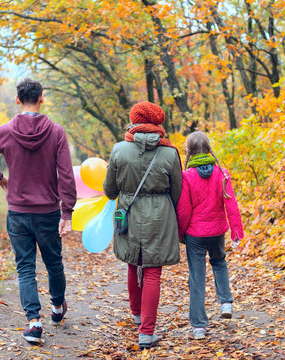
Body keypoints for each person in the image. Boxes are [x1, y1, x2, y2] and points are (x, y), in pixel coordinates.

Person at [0, 78, 76, 344]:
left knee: (25, 268)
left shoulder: (5, 130)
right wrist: (67, 212)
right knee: (54, 263)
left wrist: (0, 178)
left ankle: (33, 323)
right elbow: (66, 175)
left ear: (17, 100)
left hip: (18, 213)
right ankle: (56, 308)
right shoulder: (56, 132)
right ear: (41, 98)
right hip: (48, 212)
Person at [103, 101, 182, 349]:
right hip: (160, 215)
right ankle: (146, 332)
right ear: (157, 123)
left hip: (128, 212)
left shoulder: (118, 150)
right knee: (152, 273)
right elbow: (178, 192)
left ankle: (136, 315)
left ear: (134, 121)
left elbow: (109, 190)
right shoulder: (170, 153)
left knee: (132, 263)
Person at [176, 131, 244, 340]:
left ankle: (198, 327)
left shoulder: (186, 176)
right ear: (208, 148)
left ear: (189, 150)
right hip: (217, 231)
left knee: (196, 278)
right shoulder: (221, 173)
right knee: (219, 263)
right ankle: (225, 302)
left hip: (195, 234)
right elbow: (230, 203)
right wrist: (236, 230)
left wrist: (181, 233)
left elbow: (184, 209)